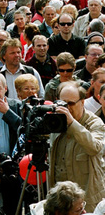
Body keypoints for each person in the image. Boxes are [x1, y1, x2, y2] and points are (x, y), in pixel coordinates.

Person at [48, 81, 105, 209]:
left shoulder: (95, 123)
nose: (67, 108)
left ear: (83, 102)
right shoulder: (55, 123)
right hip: (60, 200)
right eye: (63, 103)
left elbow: (95, 148)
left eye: (71, 103)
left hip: (86, 202)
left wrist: (72, 124)